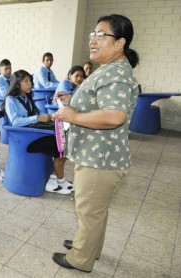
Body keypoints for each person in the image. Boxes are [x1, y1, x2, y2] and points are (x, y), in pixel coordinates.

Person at [51, 14, 139, 273]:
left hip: (100, 159)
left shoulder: (117, 73)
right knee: (95, 209)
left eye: (102, 35)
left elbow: (114, 116)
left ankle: (80, 258)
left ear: (119, 42)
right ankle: (89, 246)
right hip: (99, 156)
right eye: (93, 33)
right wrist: (72, 100)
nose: (94, 39)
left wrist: (74, 115)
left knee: (89, 210)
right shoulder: (110, 68)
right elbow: (100, 102)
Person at [2, 70, 72, 194]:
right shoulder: (10, 100)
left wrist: (51, 116)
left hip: (33, 133)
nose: (30, 84)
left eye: (30, 81)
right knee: (59, 147)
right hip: (26, 138)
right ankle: (59, 182)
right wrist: (38, 118)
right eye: (26, 81)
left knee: (61, 140)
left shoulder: (27, 97)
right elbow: (15, 122)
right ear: (17, 84)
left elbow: (36, 114)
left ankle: (52, 179)